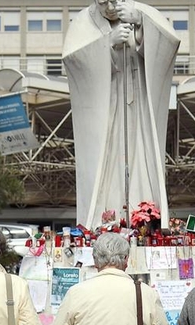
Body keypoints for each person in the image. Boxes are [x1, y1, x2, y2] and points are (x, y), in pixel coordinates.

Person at [63, 0, 180, 227]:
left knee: (141, 159)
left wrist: (141, 23)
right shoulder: (83, 22)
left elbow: (169, 44)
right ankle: (104, 220)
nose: (109, 5)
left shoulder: (143, 12)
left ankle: (144, 216)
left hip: (139, 109)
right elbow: (73, 60)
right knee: (107, 165)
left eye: (114, 0)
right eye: (103, 1)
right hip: (105, 110)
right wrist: (108, 43)